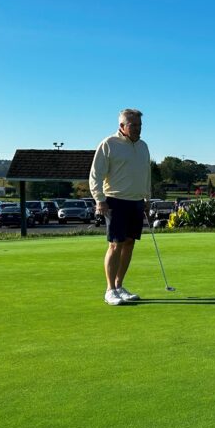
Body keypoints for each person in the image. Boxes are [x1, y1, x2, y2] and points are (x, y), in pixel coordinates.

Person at [89, 108, 151, 306]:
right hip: (115, 200)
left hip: (136, 201)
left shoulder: (143, 146)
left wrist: (147, 198)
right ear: (122, 126)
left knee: (129, 243)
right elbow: (95, 175)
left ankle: (120, 285)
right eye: (134, 125)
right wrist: (100, 199)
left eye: (140, 126)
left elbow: (145, 173)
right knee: (116, 244)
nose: (138, 129)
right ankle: (110, 290)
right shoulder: (109, 144)